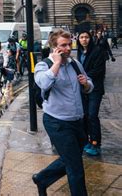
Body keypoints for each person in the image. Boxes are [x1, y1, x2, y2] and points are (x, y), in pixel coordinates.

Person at [33, 29, 93, 196]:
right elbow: (42, 83)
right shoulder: (43, 65)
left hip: (77, 121)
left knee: (71, 158)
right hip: (57, 122)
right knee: (76, 168)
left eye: (69, 44)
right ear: (55, 47)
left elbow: (89, 84)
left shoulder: (75, 64)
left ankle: (42, 178)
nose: (68, 48)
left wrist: (86, 84)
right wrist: (57, 63)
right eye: (63, 45)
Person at [77, 31, 107, 156]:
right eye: (82, 37)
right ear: (78, 39)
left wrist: (85, 77)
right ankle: (86, 140)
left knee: (92, 115)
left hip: (95, 89)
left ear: (91, 38)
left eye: (86, 37)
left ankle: (95, 143)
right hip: (84, 88)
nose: (84, 40)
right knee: (84, 115)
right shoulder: (80, 52)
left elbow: (99, 70)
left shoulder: (98, 51)